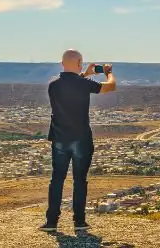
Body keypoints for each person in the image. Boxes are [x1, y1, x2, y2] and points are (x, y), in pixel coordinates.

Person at [40, 49, 116, 232]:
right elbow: (110, 86)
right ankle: (79, 221)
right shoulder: (83, 84)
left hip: (59, 139)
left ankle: (51, 222)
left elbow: (71, 83)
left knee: (57, 179)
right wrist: (108, 72)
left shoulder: (53, 85)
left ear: (61, 64)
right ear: (80, 62)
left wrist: (86, 73)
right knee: (79, 180)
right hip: (81, 139)